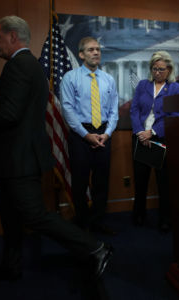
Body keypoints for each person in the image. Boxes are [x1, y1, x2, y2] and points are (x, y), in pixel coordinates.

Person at [0, 16, 112, 282]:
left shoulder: (20, 65)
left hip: (20, 159)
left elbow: (11, 113)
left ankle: (95, 248)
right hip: (16, 159)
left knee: (35, 216)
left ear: (13, 37)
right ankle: (11, 266)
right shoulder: (29, 65)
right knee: (11, 217)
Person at [60, 37, 119, 235]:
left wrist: (107, 134)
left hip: (104, 134)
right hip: (80, 134)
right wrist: (86, 135)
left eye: (98, 49)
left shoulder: (108, 79)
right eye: (91, 50)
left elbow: (114, 111)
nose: (96, 53)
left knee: (102, 181)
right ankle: (82, 222)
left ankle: (97, 220)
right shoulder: (70, 77)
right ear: (81, 54)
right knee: (80, 180)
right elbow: (67, 109)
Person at [130, 51, 179, 232]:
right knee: (140, 181)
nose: (157, 72)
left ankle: (165, 219)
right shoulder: (143, 85)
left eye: (161, 69)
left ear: (169, 70)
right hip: (140, 140)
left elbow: (174, 115)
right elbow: (134, 110)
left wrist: (151, 132)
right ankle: (139, 215)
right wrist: (139, 132)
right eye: (154, 69)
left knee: (164, 183)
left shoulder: (176, 88)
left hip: (161, 140)